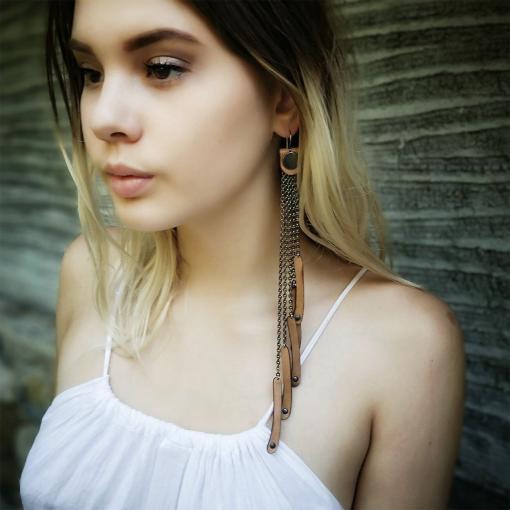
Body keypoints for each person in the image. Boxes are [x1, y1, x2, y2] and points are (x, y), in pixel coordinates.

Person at [19, 0, 466, 508]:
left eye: (161, 68)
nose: (103, 117)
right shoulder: (92, 272)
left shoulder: (404, 346)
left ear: (284, 97)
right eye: (91, 73)